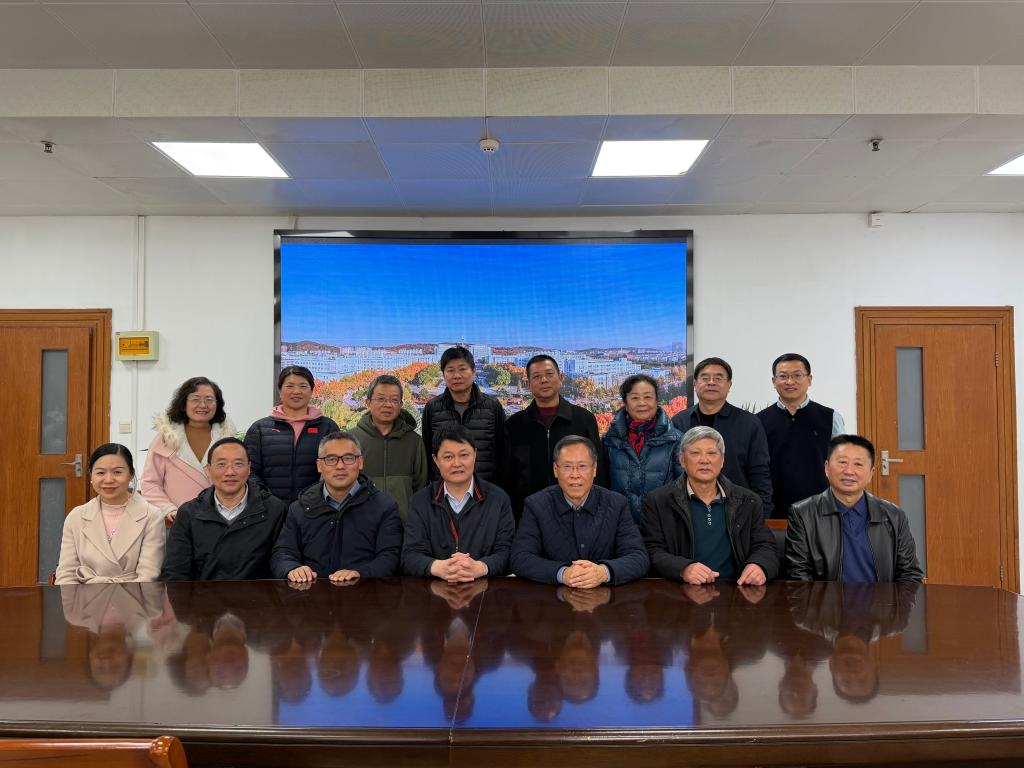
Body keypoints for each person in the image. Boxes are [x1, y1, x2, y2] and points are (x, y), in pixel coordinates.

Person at [640, 426, 779, 585]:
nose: (704, 460)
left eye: (712, 453)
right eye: (695, 453)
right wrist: (683, 568)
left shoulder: (748, 501)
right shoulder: (658, 501)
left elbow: (765, 546)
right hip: (681, 591)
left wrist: (759, 565)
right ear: (682, 460)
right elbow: (651, 550)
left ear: (722, 461)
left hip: (736, 590)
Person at [511, 435, 649, 587]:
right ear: (555, 470)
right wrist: (563, 573)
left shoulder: (616, 504)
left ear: (594, 469)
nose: (575, 475)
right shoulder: (536, 505)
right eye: (567, 466)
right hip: (552, 597)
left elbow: (638, 558)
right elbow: (520, 558)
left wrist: (603, 572)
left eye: (582, 466)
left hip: (606, 597)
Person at [786, 434, 923, 583]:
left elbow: (910, 576)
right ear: (826, 468)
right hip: (827, 599)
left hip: (882, 598)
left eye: (858, 464)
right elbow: (799, 578)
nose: (849, 471)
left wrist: (889, 599)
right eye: (842, 462)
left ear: (871, 473)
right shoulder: (803, 514)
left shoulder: (894, 516)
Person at [271, 431, 403, 583]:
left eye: (348, 458)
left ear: (360, 462)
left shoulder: (384, 507)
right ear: (319, 466)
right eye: (331, 459)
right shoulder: (300, 508)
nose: (340, 466)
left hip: (364, 590)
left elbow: (390, 556)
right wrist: (292, 568)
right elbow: (282, 553)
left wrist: (360, 573)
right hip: (311, 592)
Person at [161, 437, 288, 581]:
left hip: (258, 595)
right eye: (221, 464)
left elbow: (282, 560)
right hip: (203, 594)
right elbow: (175, 572)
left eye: (238, 464)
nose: (230, 472)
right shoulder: (188, 514)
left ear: (249, 468)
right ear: (209, 470)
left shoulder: (274, 510)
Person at [402, 426, 515, 580]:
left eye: (464, 455)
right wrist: (438, 567)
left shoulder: (498, 500)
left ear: (475, 455)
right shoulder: (421, 501)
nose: (457, 463)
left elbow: (508, 552)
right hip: (435, 589)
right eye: (448, 457)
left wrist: (481, 567)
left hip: (485, 590)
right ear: (436, 460)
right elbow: (409, 556)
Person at [506, 354, 604, 519]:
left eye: (549, 374)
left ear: (561, 378)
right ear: (528, 384)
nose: (544, 380)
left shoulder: (584, 420)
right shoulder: (514, 425)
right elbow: (508, 476)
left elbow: (598, 471)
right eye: (536, 376)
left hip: (578, 515)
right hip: (527, 516)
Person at [672, 357, 772, 516]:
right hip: (688, 512)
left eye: (718, 378)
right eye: (705, 378)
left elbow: (760, 472)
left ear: (729, 385)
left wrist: (762, 514)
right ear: (695, 383)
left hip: (738, 512)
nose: (711, 382)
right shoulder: (678, 421)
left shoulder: (749, 423)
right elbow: (673, 470)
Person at [55, 444, 165, 584]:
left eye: (117, 472)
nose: (108, 480)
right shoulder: (76, 517)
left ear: (131, 475)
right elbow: (66, 574)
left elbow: (148, 576)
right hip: (86, 596)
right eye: (100, 473)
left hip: (134, 595)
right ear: (91, 475)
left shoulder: (151, 516)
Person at [757, 354, 846, 519]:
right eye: (783, 376)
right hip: (774, 508)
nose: (790, 382)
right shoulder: (759, 421)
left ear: (809, 379)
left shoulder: (831, 418)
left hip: (821, 508)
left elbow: (841, 463)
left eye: (797, 375)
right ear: (774, 381)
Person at [140, 376, 236, 524]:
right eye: (195, 399)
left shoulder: (227, 438)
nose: (203, 405)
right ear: (184, 404)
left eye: (209, 400)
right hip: (178, 523)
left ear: (217, 404)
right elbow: (150, 483)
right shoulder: (165, 439)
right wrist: (169, 509)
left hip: (221, 521)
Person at [244, 365, 340, 505]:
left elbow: (337, 467)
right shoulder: (260, 429)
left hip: (316, 508)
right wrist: (267, 501)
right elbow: (248, 470)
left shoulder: (327, 427)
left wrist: (316, 500)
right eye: (290, 386)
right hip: (268, 509)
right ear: (280, 390)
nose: (296, 391)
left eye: (303, 386)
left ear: (311, 391)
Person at [421, 346, 508, 490]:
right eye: (450, 370)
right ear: (443, 374)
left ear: (473, 371)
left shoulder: (492, 406)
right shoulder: (432, 408)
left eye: (462, 369)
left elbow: (503, 451)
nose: (457, 375)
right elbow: (427, 451)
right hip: (444, 492)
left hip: (485, 490)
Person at [602, 374, 684, 523]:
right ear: (625, 403)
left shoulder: (676, 440)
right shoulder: (610, 440)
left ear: (656, 400)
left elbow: (683, 488)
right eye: (635, 398)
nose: (642, 403)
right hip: (619, 524)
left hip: (662, 525)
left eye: (647, 397)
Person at [352, 374, 428, 522]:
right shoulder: (351, 441)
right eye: (380, 399)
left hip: (404, 526)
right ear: (368, 402)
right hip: (361, 526)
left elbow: (421, 487)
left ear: (401, 404)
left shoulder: (414, 442)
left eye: (394, 400)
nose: (387, 404)